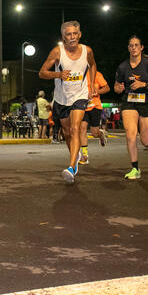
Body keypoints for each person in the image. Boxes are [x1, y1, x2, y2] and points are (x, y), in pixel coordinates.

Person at [39, 21, 97, 184]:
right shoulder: (57, 52)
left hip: (80, 96)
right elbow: (42, 73)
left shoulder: (87, 51)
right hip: (61, 98)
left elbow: (92, 66)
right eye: (68, 35)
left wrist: (91, 85)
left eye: (74, 34)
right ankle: (75, 153)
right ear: (63, 37)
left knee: (75, 127)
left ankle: (72, 167)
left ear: (79, 34)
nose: (71, 37)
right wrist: (57, 75)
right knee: (67, 132)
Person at [114, 36, 148, 180]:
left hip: (147, 101)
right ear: (128, 48)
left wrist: (144, 85)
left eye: (136, 45)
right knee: (130, 134)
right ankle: (135, 169)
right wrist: (119, 88)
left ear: (141, 47)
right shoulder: (123, 66)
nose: (134, 48)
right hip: (129, 101)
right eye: (131, 45)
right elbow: (116, 87)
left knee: (145, 141)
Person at [78, 71, 109, 164]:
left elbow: (107, 88)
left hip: (95, 107)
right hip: (82, 107)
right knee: (82, 129)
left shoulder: (96, 74)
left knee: (94, 133)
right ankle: (84, 156)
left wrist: (97, 91)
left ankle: (100, 134)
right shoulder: (78, 74)